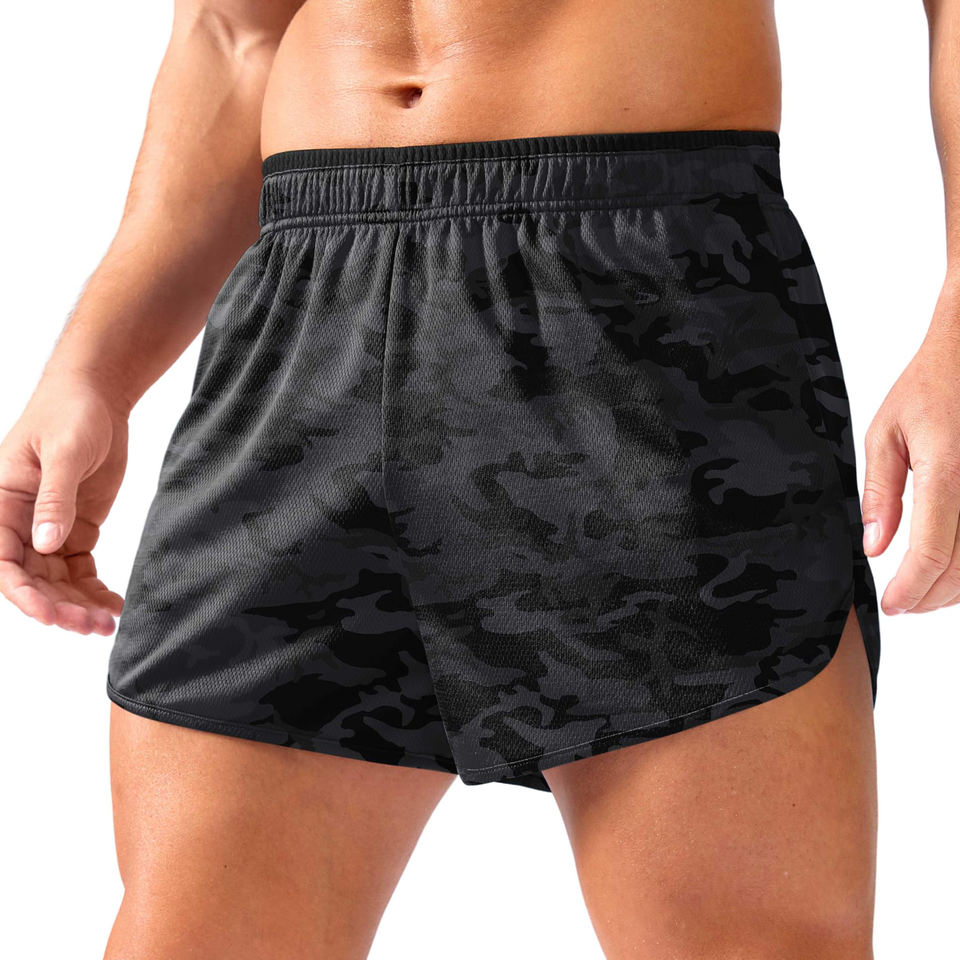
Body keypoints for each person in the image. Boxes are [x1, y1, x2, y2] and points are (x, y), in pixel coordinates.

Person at [1, 1, 957, 957]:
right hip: (305, 312)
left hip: (631, 293)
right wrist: (94, 369)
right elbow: (232, 33)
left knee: (748, 941)